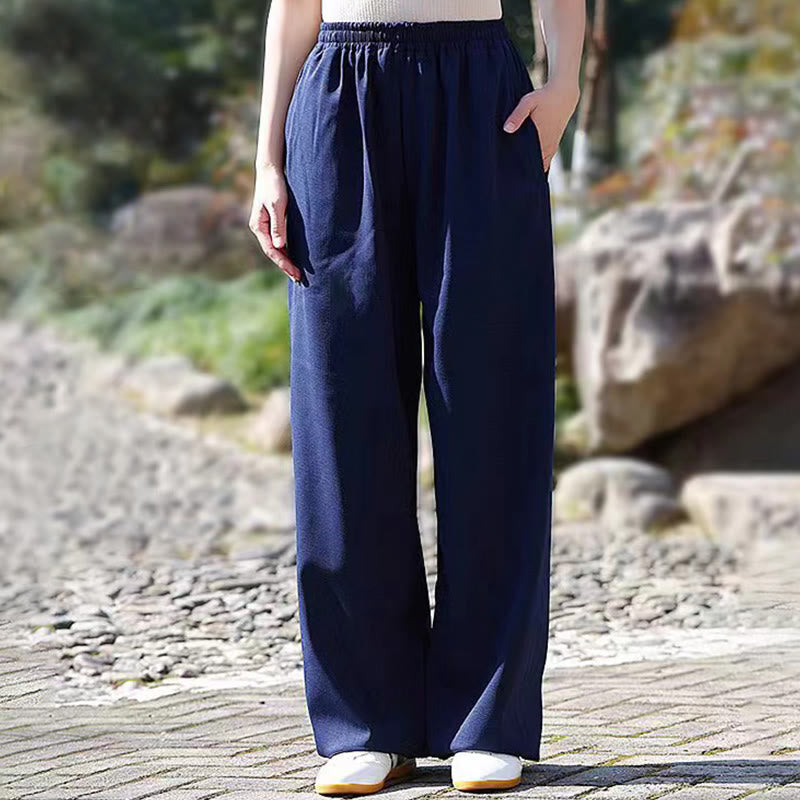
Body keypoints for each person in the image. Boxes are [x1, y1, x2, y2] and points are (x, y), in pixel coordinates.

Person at [249, 0, 585, 793]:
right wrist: (267, 160)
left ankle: (486, 719)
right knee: (341, 413)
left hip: (479, 96)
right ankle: (367, 721)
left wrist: (564, 83)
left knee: (492, 405)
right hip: (337, 96)